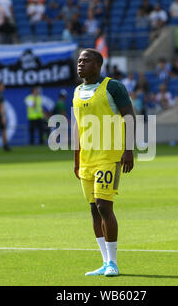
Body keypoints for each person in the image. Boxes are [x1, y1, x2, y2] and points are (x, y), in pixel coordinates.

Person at [73, 48, 135, 277]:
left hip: (109, 157)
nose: (80, 64)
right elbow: (78, 128)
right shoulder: (77, 91)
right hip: (86, 160)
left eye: (86, 60)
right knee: (93, 210)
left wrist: (129, 150)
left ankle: (114, 263)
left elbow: (129, 116)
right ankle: (104, 261)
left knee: (103, 206)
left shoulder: (113, 86)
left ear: (98, 65)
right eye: (79, 61)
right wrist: (76, 159)